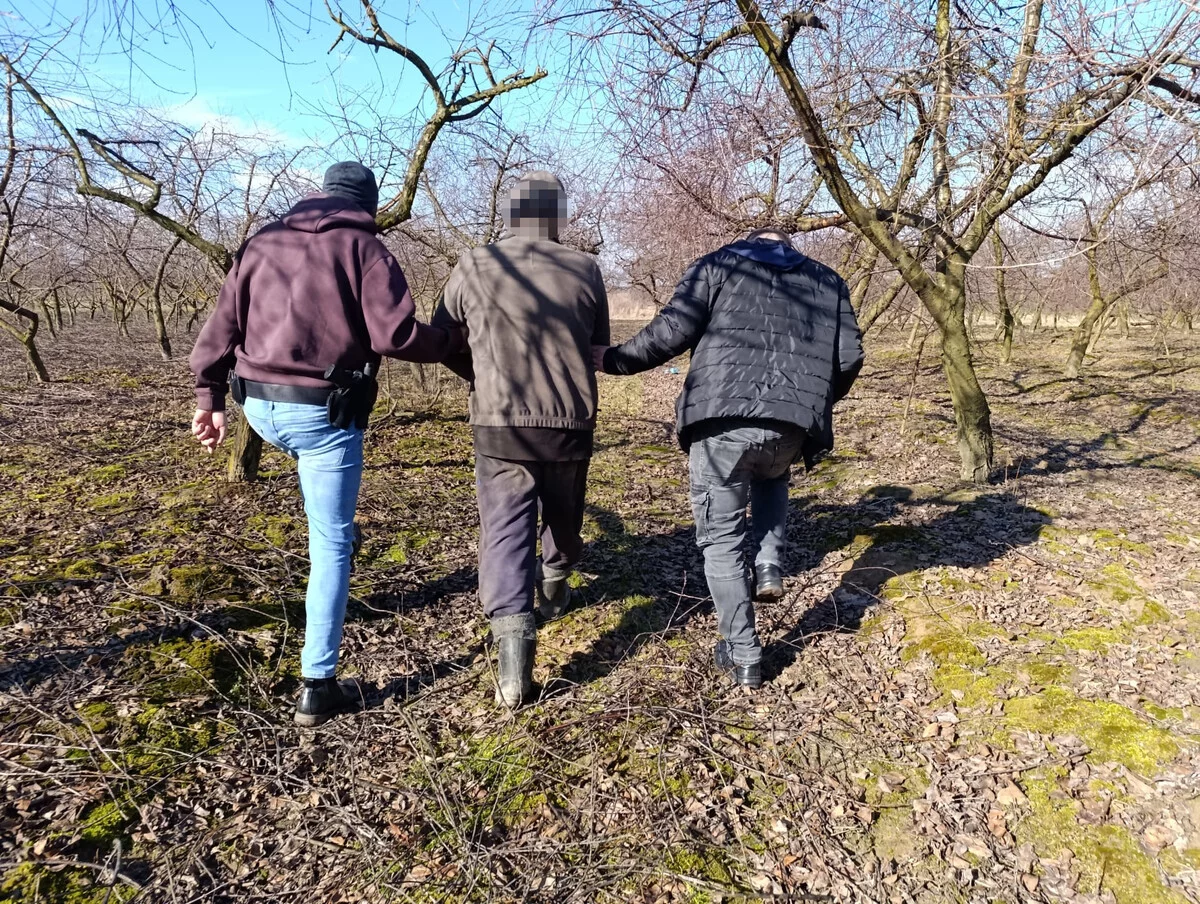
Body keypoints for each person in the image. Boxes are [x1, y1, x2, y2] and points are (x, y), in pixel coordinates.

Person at [189, 161, 466, 726]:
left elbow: (222, 326)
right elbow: (395, 335)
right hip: (322, 414)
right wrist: (452, 341)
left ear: (319, 193)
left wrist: (208, 399)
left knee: (330, 519)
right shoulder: (365, 249)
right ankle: (318, 683)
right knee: (331, 544)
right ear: (367, 202)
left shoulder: (261, 242)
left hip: (259, 407)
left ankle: (334, 551)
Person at [592, 228, 863, 688]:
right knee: (773, 476)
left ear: (749, 241)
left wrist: (615, 360)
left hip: (722, 419)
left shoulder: (719, 266)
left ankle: (744, 654)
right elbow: (850, 356)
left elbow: (670, 332)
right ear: (787, 246)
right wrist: (811, 402)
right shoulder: (828, 280)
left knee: (721, 540)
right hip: (792, 423)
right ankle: (769, 563)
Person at [432, 171, 610, 708]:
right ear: (557, 216)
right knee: (564, 512)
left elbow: (443, 340)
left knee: (505, 532)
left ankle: (513, 669)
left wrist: (481, 375)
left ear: (510, 215)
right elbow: (597, 346)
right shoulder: (584, 267)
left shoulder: (475, 264)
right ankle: (554, 588)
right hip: (568, 420)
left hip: (499, 422)